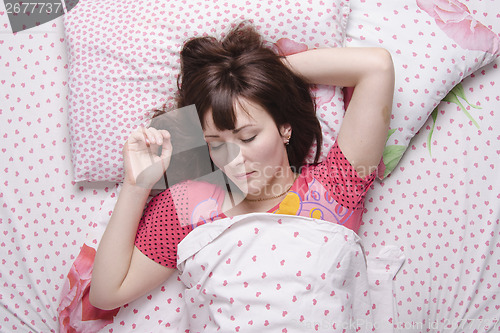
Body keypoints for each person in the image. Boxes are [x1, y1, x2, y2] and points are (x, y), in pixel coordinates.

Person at [89, 22, 394, 311]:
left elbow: (376, 67)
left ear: (284, 128)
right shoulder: (188, 205)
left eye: (248, 137)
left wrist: (249, 73)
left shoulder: (335, 186)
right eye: (216, 143)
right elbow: (106, 293)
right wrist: (137, 183)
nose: (234, 158)